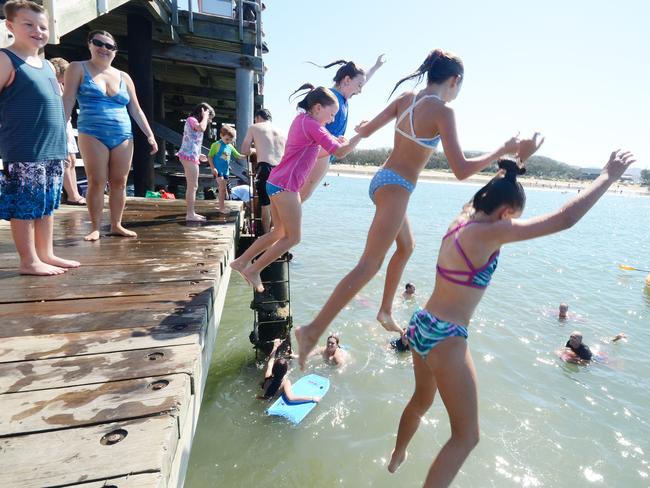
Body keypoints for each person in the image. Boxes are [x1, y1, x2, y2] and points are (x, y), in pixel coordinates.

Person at [386, 151, 636, 486]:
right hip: (447, 336)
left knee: (420, 400)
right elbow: (564, 219)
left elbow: (488, 195)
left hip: (421, 323)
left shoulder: (461, 221)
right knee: (467, 437)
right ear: (505, 214)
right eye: (512, 219)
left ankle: (397, 455)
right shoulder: (488, 234)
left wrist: (514, 167)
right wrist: (607, 175)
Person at [295, 49, 526, 366]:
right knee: (369, 265)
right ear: (454, 81)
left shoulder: (407, 97)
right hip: (398, 187)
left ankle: (385, 310)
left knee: (407, 246)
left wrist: (355, 131)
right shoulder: (443, 112)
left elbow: (367, 129)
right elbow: (460, 170)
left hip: (382, 180)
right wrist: (501, 150)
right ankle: (312, 330)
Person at [230, 85, 362, 292]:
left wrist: (336, 142)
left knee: (278, 232)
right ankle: (253, 270)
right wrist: (360, 136)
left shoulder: (301, 121)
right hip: (286, 186)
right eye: (331, 114)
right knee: (293, 237)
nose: (333, 120)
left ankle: (241, 261)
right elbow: (341, 152)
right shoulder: (313, 125)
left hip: (275, 182)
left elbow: (317, 152)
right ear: (318, 108)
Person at [0, 0, 81, 276]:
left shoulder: (47, 65)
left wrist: (65, 148)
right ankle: (28, 260)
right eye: (29, 24)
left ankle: (46, 253)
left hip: (53, 148)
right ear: (10, 26)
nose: (38, 30)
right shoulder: (5, 59)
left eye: (43, 26)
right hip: (24, 148)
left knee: (46, 204)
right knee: (25, 205)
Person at [62, 30, 158, 241]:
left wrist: (150, 136)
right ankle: (95, 227)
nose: (104, 49)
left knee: (120, 182)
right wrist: (60, 127)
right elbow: (68, 99)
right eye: (99, 43)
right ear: (89, 44)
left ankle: (116, 224)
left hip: (123, 134)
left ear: (115, 51)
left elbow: (136, 109)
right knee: (97, 180)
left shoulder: (124, 76)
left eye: (110, 46)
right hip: (92, 132)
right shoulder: (78, 67)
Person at [300, 55, 386, 202]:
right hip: (319, 153)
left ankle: (279, 224)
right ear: (346, 80)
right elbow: (312, 123)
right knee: (302, 195)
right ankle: (278, 225)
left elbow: (362, 79)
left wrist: (376, 66)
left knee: (302, 195)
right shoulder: (332, 97)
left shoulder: (341, 98)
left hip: (326, 153)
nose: (360, 90)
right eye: (359, 86)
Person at [240, 108, 287, 233]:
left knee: (265, 207)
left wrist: (255, 150)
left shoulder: (254, 127)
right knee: (276, 207)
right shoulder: (282, 132)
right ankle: (275, 234)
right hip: (282, 171)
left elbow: (244, 151)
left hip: (265, 168)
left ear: (257, 118)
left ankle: (266, 237)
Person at [49, 57, 85, 206]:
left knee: (72, 160)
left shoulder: (61, 85)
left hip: (66, 124)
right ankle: (72, 195)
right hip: (59, 124)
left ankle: (74, 192)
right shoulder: (52, 84)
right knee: (66, 161)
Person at [177, 102, 215, 221]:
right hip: (188, 157)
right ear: (202, 113)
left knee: (193, 186)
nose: (209, 121)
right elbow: (202, 128)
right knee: (193, 186)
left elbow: (193, 140)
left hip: (191, 156)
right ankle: (190, 214)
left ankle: (191, 213)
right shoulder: (192, 119)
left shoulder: (194, 121)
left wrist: (199, 155)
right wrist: (205, 116)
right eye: (209, 118)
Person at [259, 339, 320, 403]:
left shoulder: (268, 376)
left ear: (273, 369)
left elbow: (270, 362)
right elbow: (291, 398)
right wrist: (312, 398)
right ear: (286, 371)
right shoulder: (285, 383)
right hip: (273, 402)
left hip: (264, 398)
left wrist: (275, 347)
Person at [207, 124, 245, 214]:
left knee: (223, 189)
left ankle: (221, 205)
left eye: (231, 140)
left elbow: (238, 156)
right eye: (227, 139)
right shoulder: (216, 145)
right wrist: (213, 168)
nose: (228, 142)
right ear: (221, 135)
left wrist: (248, 154)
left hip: (225, 171)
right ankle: (221, 208)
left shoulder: (230, 146)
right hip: (218, 170)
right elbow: (210, 157)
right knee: (222, 188)